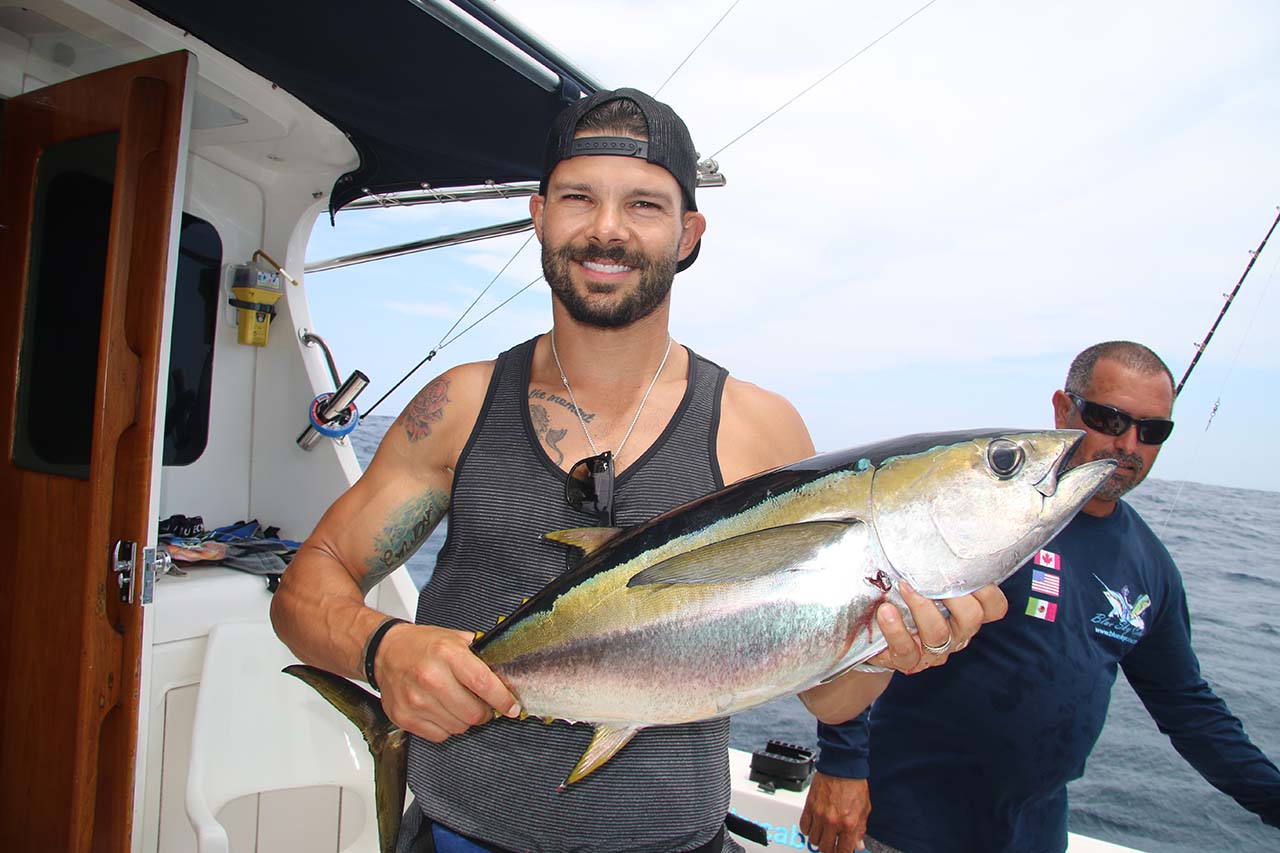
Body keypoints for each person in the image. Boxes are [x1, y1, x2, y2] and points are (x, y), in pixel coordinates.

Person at [270, 87, 1005, 853]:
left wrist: (882, 651)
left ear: (689, 233)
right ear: (538, 216)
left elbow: (831, 695)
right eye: (578, 198)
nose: (607, 229)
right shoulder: (458, 405)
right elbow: (306, 586)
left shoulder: (759, 429)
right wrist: (382, 647)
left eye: (644, 205)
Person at [800, 341, 1280, 853]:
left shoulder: (1152, 566)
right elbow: (864, 627)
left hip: (1035, 836)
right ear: (1063, 409)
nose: (1129, 445)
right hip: (903, 824)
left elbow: (1187, 707)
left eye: (1152, 431)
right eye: (1110, 419)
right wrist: (842, 763)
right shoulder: (972, 520)